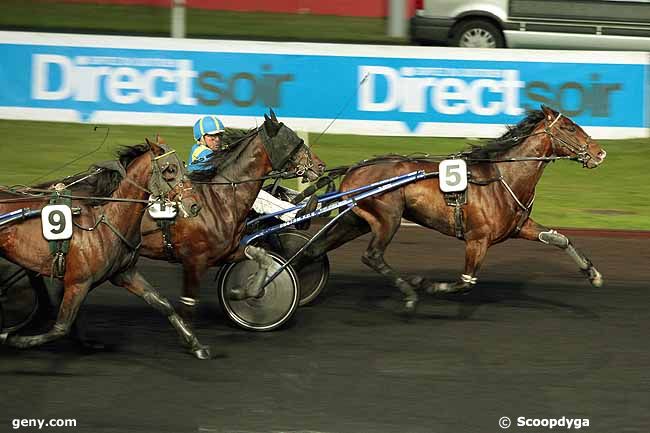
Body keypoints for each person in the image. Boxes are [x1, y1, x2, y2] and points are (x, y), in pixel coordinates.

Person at [188, 115, 316, 223]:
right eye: (212, 137)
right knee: (258, 197)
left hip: (225, 195)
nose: (217, 140)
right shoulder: (200, 152)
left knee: (274, 189)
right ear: (201, 138)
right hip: (213, 202)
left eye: (219, 136)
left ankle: (314, 205)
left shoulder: (217, 150)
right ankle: (296, 215)